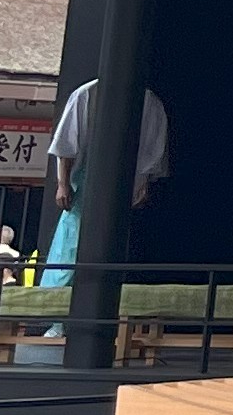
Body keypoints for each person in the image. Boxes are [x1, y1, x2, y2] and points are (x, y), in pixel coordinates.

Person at [43, 75, 169, 274]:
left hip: (126, 179)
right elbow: (67, 145)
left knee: (109, 240)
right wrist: (63, 184)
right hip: (87, 179)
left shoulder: (149, 100)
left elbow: (151, 149)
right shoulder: (87, 93)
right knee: (72, 244)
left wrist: (142, 183)